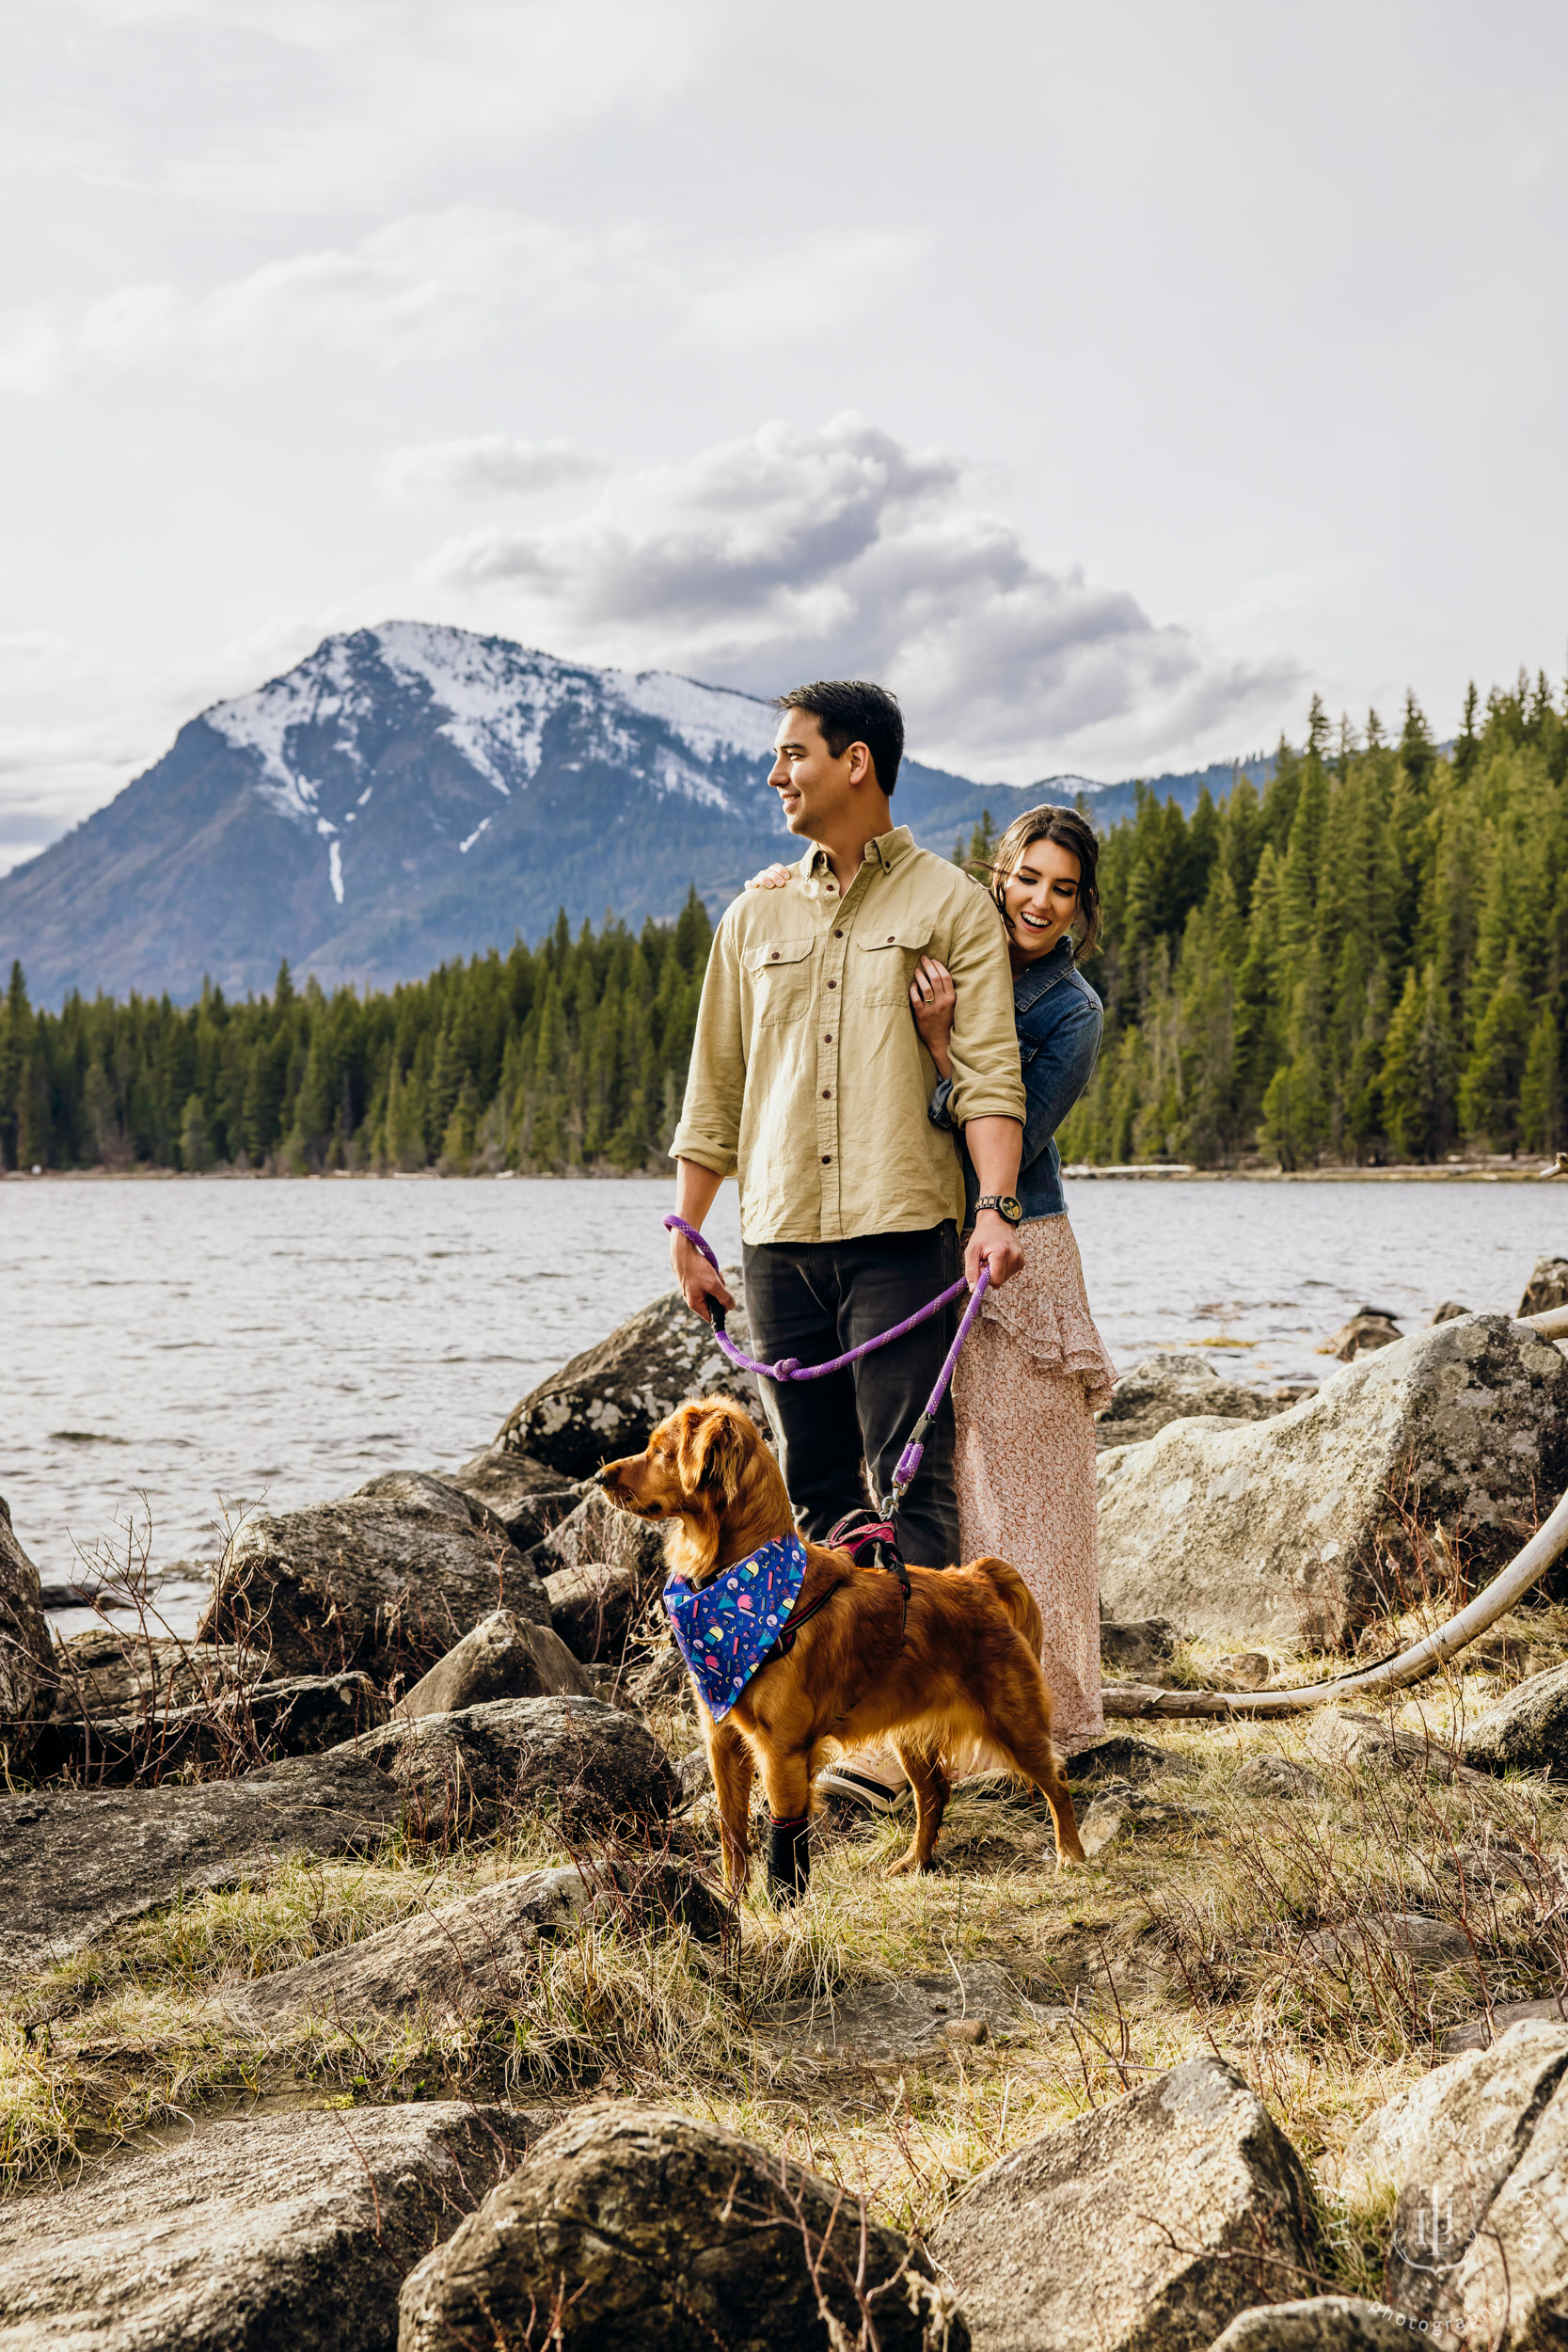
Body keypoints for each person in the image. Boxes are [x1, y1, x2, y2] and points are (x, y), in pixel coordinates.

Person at [667, 679, 1028, 1669]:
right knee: (815, 1483)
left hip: (902, 1236)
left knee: (909, 1488)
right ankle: (836, 1707)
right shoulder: (752, 919)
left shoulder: (949, 906)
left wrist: (993, 1210)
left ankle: (916, 1721)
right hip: (776, 1242)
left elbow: (992, 1076)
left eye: (793, 754)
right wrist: (689, 1234)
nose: (775, 772)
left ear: (854, 762)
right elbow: (715, 1090)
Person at [912, 804, 1116, 1750]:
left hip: (1018, 1250)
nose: (1040, 901)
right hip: (925, 1241)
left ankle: (1052, 1712)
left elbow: (1009, 1134)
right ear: (997, 872)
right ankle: (949, 1711)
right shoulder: (951, 940)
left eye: (1062, 888)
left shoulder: (1072, 1012)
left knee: (1034, 1498)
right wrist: (781, 882)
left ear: (1081, 904)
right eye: (1027, 876)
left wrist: (941, 1044)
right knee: (948, 1480)